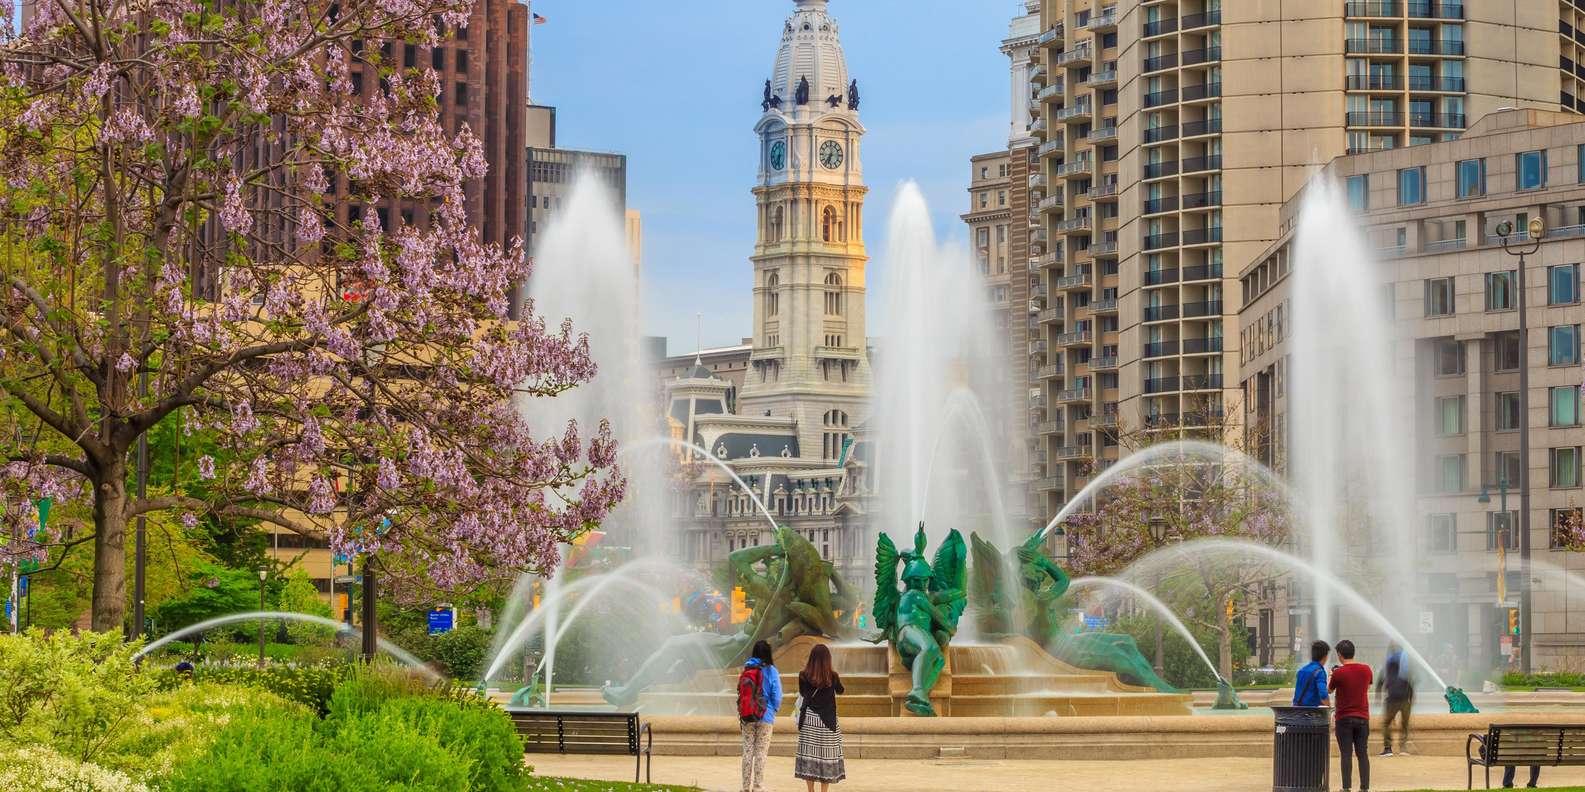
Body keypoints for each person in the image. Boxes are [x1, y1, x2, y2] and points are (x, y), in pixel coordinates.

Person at [795, 644, 846, 791]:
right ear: (828, 659)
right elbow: (841, 691)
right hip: (828, 721)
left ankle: (811, 791)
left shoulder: (803, 675)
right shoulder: (833, 676)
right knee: (827, 758)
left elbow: (803, 694)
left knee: (809, 756)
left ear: (811, 658)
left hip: (809, 719)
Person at [1329, 639, 1374, 792]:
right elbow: (1366, 687)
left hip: (1344, 718)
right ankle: (1364, 788)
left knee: (1346, 754)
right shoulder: (1366, 669)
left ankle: (1346, 787)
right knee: (1362, 754)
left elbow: (1329, 691)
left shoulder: (1338, 673)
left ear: (1340, 655)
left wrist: (1331, 675)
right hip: (1362, 716)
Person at [738, 640, 781, 792]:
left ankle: (745, 787)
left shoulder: (747, 668)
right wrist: (774, 709)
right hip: (766, 717)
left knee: (748, 750)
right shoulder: (771, 670)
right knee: (761, 752)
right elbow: (776, 695)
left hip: (748, 716)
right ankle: (758, 786)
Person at [1376, 643, 1414, 756]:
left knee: (1386, 723)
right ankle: (1403, 748)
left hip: (1392, 699)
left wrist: (1378, 696)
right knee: (1405, 724)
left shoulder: (1387, 666)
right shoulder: (1405, 666)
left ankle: (1388, 748)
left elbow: (1380, 682)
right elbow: (1410, 683)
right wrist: (1411, 698)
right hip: (1404, 699)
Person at [1292, 639, 1331, 707]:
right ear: (1325, 656)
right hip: (1312, 713)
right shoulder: (1319, 672)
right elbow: (1323, 694)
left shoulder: (1301, 670)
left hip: (1298, 710)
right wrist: (1329, 709)